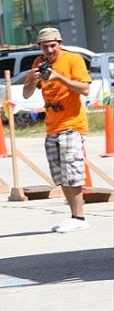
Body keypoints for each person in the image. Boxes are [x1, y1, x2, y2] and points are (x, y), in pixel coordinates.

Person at [23, 27, 92, 233]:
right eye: (45, 47)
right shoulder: (39, 63)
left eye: (53, 45)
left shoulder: (73, 60)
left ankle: (79, 217)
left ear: (60, 43)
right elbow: (26, 94)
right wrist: (35, 79)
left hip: (72, 124)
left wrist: (58, 78)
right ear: (40, 47)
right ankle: (73, 216)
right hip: (52, 126)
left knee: (73, 173)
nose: (50, 50)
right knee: (61, 175)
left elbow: (85, 89)